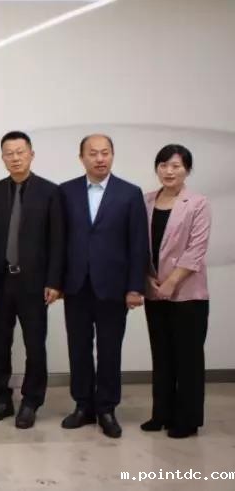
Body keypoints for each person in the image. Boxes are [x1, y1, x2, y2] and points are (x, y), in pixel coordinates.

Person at [59, 134, 149, 439]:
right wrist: (56, 282)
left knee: (110, 349)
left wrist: (135, 287)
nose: (100, 158)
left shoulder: (129, 193)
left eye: (105, 153)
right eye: (93, 153)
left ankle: (107, 408)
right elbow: (59, 241)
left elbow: (138, 244)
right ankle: (83, 405)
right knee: (78, 348)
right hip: (76, 285)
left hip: (113, 286)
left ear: (112, 155)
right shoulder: (66, 192)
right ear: (81, 157)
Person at [0, 131, 65, 429]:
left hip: (35, 283)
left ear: (31, 154)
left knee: (35, 345)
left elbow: (58, 240)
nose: (15, 158)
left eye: (20, 152)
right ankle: (1, 398)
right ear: (2, 158)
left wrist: (54, 281)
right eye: (9, 153)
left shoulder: (50, 192)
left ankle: (31, 401)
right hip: (1, 281)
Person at [142, 144, 211, 439]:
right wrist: (148, 280)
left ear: (187, 170)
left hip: (187, 294)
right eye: (163, 165)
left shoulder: (197, 203)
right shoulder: (146, 201)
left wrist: (171, 282)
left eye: (176, 166)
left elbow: (196, 249)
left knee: (188, 358)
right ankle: (162, 414)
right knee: (162, 355)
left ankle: (188, 419)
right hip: (153, 290)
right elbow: (139, 245)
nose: (169, 171)